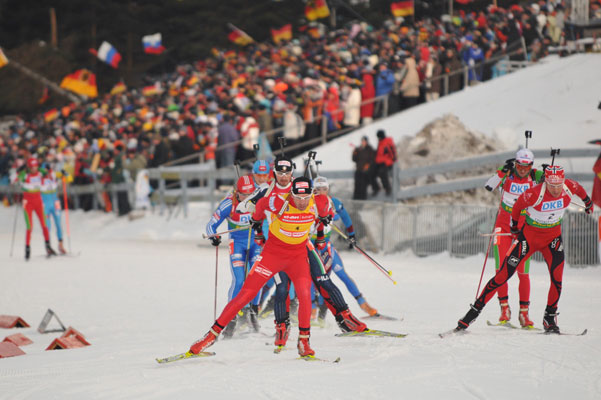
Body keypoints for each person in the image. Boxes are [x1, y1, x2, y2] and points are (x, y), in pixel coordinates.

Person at [189, 177, 332, 357]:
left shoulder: (320, 202)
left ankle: (304, 342)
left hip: (297, 257)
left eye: (305, 198)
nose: (302, 203)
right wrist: (256, 220)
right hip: (273, 255)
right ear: (291, 195)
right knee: (245, 293)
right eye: (297, 198)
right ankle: (210, 336)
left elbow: (326, 212)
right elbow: (262, 203)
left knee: (304, 295)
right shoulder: (279, 202)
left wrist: (326, 220)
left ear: (311, 195)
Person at [457, 165, 593, 333]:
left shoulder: (569, 186)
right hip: (529, 239)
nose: (556, 189)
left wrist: (588, 203)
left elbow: (580, 191)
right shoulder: (533, 194)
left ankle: (549, 318)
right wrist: (514, 227)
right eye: (552, 185)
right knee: (502, 276)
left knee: (557, 280)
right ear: (545, 183)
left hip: (552, 240)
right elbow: (516, 208)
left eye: (559, 185)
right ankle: (473, 313)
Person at [484, 149, 543, 327]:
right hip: (503, 225)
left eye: (527, 166)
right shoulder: (507, 173)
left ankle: (524, 314)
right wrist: (503, 170)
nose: (523, 169)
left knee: (522, 271)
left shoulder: (535, 175)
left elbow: (554, 181)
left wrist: (550, 171)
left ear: (531, 165)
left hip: (524, 228)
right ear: (515, 163)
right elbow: (488, 186)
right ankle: (504, 309)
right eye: (520, 165)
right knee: (500, 268)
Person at [312, 176, 379, 318]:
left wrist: (352, 235)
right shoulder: (308, 203)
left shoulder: (333, 202)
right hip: (312, 247)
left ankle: (363, 303)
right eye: (318, 190)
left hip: (326, 246)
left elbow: (345, 217)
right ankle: (314, 311)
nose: (321, 192)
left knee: (342, 275)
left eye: (324, 189)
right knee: (317, 280)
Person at [205, 174, 261, 337]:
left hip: (255, 243)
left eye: (250, 194)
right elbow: (211, 225)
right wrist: (213, 237)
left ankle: (253, 312)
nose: (246, 198)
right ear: (237, 192)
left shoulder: (259, 200)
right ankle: (231, 318)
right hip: (237, 243)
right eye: (243, 194)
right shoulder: (228, 203)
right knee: (239, 280)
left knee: (256, 278)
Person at [15, 157, 56, 259]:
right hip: (28, 203)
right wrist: (18, 173)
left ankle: (48, 246)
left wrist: (48, 169)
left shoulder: (40, 172)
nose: (35, 168)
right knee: (29, 227)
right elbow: (16, 180)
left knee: (44, 224)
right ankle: (27, 248)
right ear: (29, 167)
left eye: (36, 166)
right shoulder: (25, 174)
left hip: (38, 202)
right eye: (32, 167)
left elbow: (49, 175)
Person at [41, 163, 67, 255]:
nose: (47, 172)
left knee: (58, 224)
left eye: (48, 170)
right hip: (45, 204)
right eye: (45, 171)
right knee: (47, 226)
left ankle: (61, 245)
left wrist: (65, 174)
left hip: (55, 203)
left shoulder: (53, 175)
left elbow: (68, 177)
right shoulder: (40, 179)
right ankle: (48, 246)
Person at [352, 136, 377, 200]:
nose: (363, 142)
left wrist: (368, 165)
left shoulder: (370, 149)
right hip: (358, 170)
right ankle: (356, 201)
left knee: (363, 187)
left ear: (366, 142)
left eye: (364, 141)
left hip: (366, 171)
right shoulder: (358, 149)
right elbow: (354, 159)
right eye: (362, 141)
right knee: (357, 186)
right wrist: (354, 153)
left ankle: (362, 201)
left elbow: (372, 159)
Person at [374, 129, 397, 196]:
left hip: (386, 162)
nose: (378, 138)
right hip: (379, 162)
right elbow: (378, 153)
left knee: (382, 172)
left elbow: (392, 152)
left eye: (379, 137)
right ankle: (376, 188)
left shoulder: (387, 142)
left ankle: (387, 188)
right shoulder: (380, 142)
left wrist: (393, 160)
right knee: (370, 171)